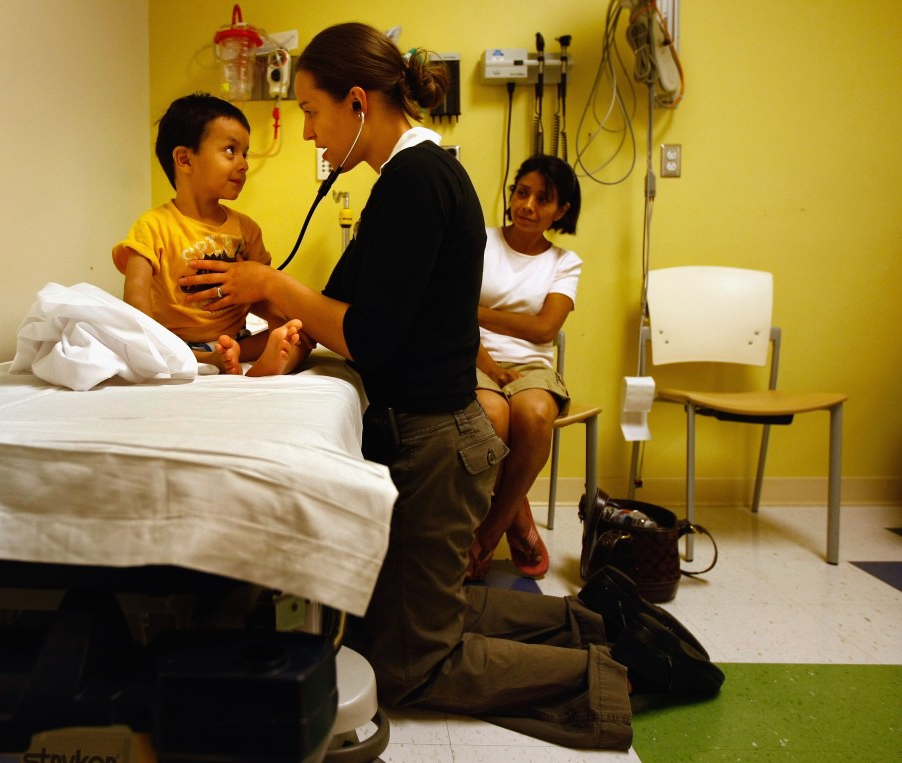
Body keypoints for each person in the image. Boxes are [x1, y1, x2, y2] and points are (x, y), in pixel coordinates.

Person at [176, 23, 719, 750]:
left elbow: (369, 334)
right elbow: (337, 310)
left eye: (311, 110)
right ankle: (595, 620)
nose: (306, 132)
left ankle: (609, 676)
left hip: (437, 444)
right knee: (409, 616)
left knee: (407, 661)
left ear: (358, 103)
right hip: (430, 437)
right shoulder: (405, 181)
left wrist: (272, 285)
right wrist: (253, 323)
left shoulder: (418, 181)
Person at [112, 92, 309, 376]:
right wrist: (153, 343)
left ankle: (261, 367)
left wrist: (285, 324)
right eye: (231, 150)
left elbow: (263, 296)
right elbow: (136, 301)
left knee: (302, 337)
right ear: (185, 160)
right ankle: (208, 360)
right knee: (144, 344)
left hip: (238, 341)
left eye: (245, 153)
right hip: (178, 344)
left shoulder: (246, 229)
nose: (243, 163)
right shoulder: (152, 226)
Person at [469, 154, 583, 581]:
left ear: (562, 211)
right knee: (492, 415)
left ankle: (488, 531)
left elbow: (544, 328)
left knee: (534, 414)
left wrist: (476, 311)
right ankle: (518, 520)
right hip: (475, 357)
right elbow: (453, 315)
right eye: (522, 192)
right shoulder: (478, 241)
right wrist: (489, 361)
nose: (528, 205)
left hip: (533, 366)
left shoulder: (564, 262)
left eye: (543, 199)